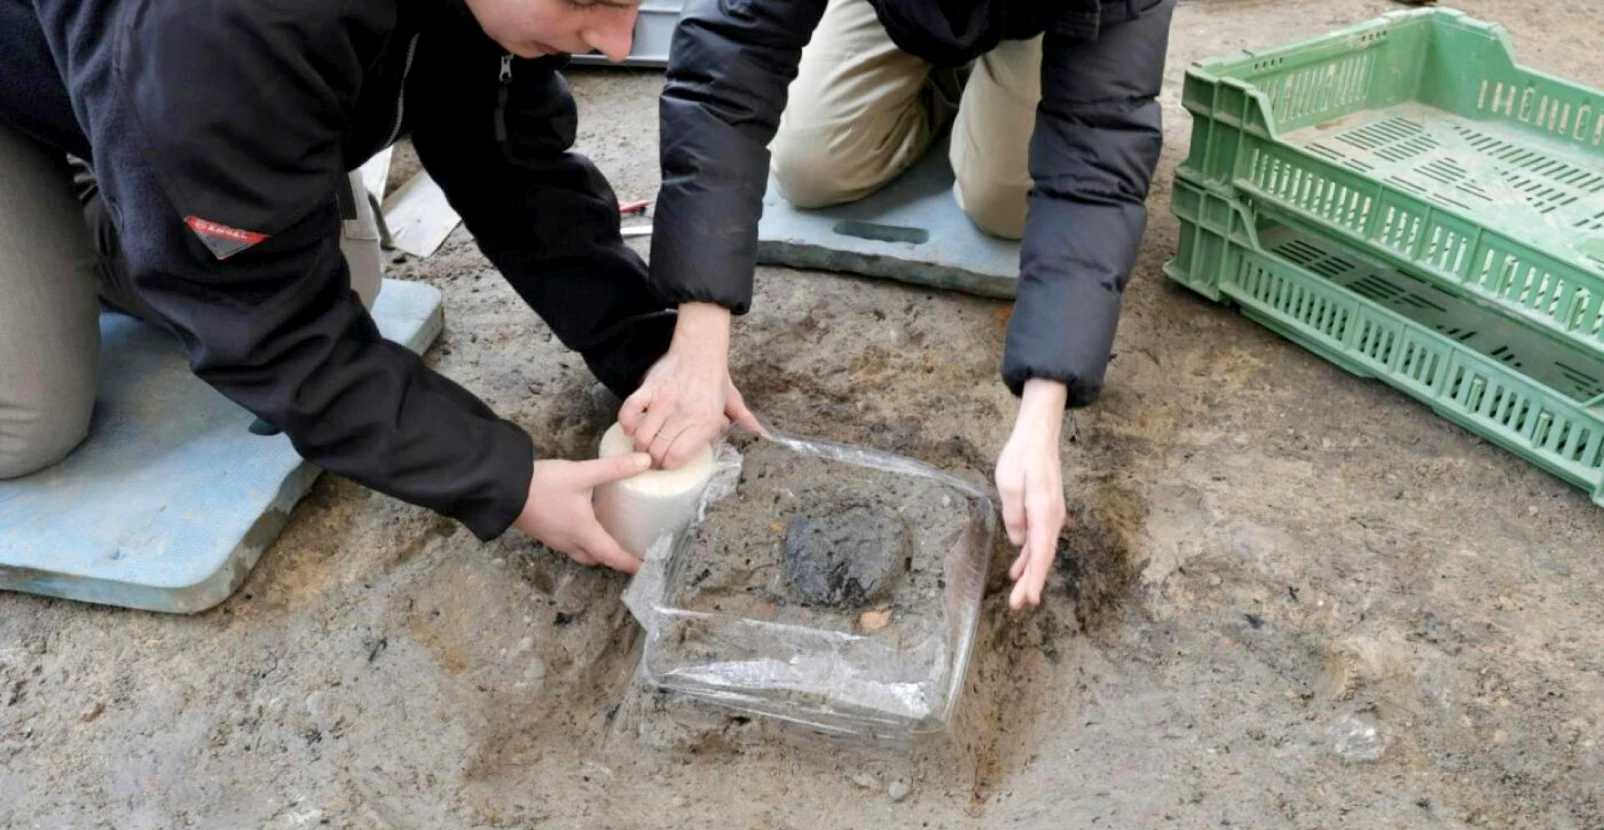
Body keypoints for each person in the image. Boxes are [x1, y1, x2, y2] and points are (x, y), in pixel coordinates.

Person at [0, 0, 675, 574]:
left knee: (341, 281)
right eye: (587, 0)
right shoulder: (229, 27)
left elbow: (509, 160)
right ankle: (140, 190)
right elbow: (271, 330)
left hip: (169, 81)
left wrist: (647, 347)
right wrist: (507, 481)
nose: (617, 46)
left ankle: (143, 172)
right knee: (31, 423)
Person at [624, 0, 1177, 609]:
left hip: (1049, 20)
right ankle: (945, 86)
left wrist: (1041, 416)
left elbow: (1097, 150)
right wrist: (697, 341)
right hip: (901, 10)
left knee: (999, 201)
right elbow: (729, 59)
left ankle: (998, 97)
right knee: (809, 165)